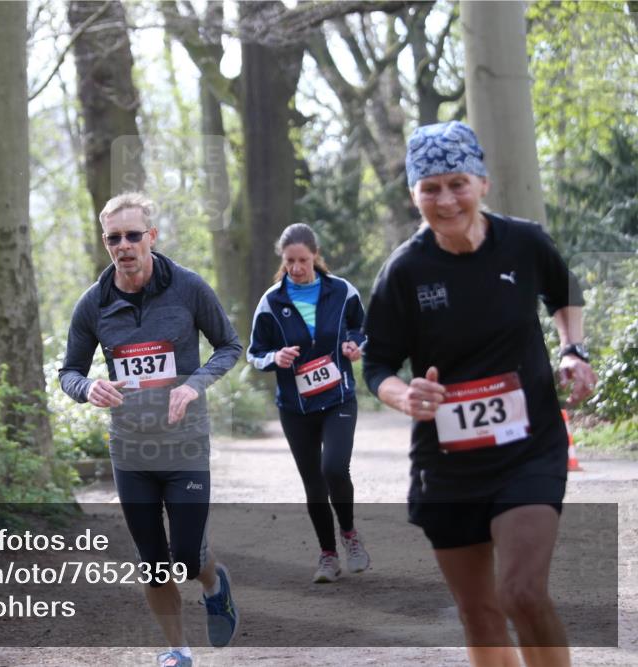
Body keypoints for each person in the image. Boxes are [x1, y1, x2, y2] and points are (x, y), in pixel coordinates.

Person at [362, 121, 597, 667]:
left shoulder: (525, 242)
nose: (446, 200)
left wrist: (573, 350)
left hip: (528, 448)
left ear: (483, 183)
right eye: (430, 188)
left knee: (521, 593)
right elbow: (377, 365)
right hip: (448, 464)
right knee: (480, 614)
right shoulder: (405, 271)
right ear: (414, 195)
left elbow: (565, 295)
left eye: (457, 183)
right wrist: (405, 396)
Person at [59, 192, 242, 667]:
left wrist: (194, 385)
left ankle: (212, 582)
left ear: (151, 238)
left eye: (133, 235)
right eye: (114, 238)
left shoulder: (188, 288)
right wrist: (87, 388)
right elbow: (69, 372)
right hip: (130, 449)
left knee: (185, 553)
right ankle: (177, 649)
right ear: (106, 243)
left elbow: (228, 345)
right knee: (153, 559)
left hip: (184, 445)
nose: (124, 245)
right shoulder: (93, 305)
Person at [246, 223, 370, 584]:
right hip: (295, 407)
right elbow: (255, 353)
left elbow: (362, 329)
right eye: (290, 261)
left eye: (303, 260)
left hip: (338, 398)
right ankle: (328, 555)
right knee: (313, 481)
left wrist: (355, 345)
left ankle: (350, 535)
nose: (297, 267)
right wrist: (275, 358)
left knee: (334, 468)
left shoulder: (342, 291)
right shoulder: (272, 301)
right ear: (282, 261)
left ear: (316, 256)